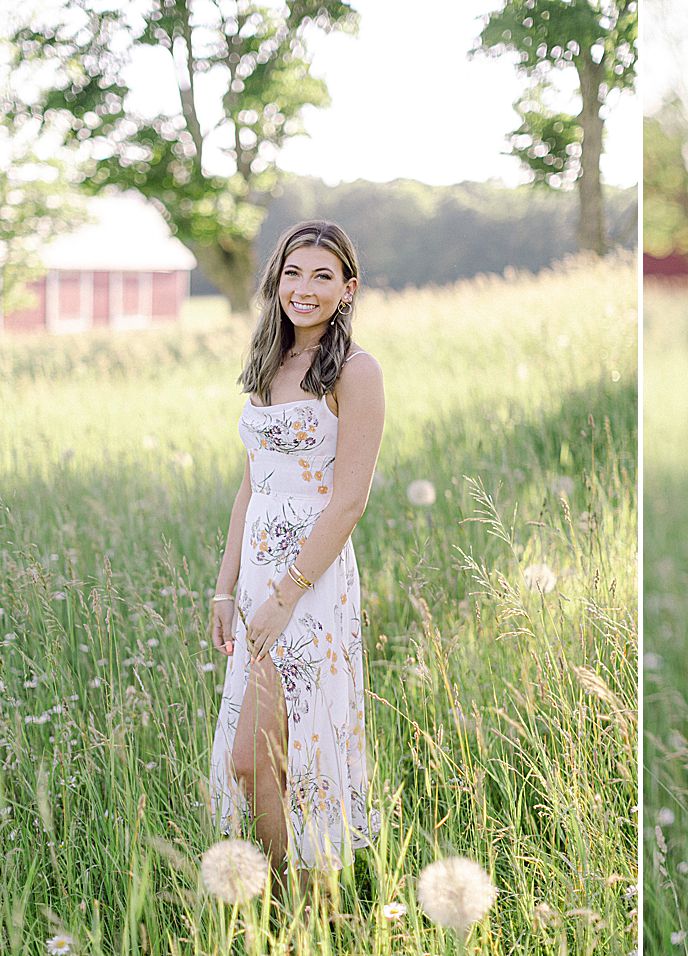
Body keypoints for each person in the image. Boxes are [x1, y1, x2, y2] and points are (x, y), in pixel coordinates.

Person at [207, 220, 385, 915]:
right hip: (256, 582)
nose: (303, 290)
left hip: (310, 584)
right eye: (292, 274)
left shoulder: (354, 371)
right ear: (275, 281)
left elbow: (348, 502)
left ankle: (308, 903)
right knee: (259, 761)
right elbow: (251, 487)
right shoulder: (266, 366)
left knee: (266, 759)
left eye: (321, 276)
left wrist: (286, 594)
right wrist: (226, 590)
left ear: (348, 289)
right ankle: (296, 907)